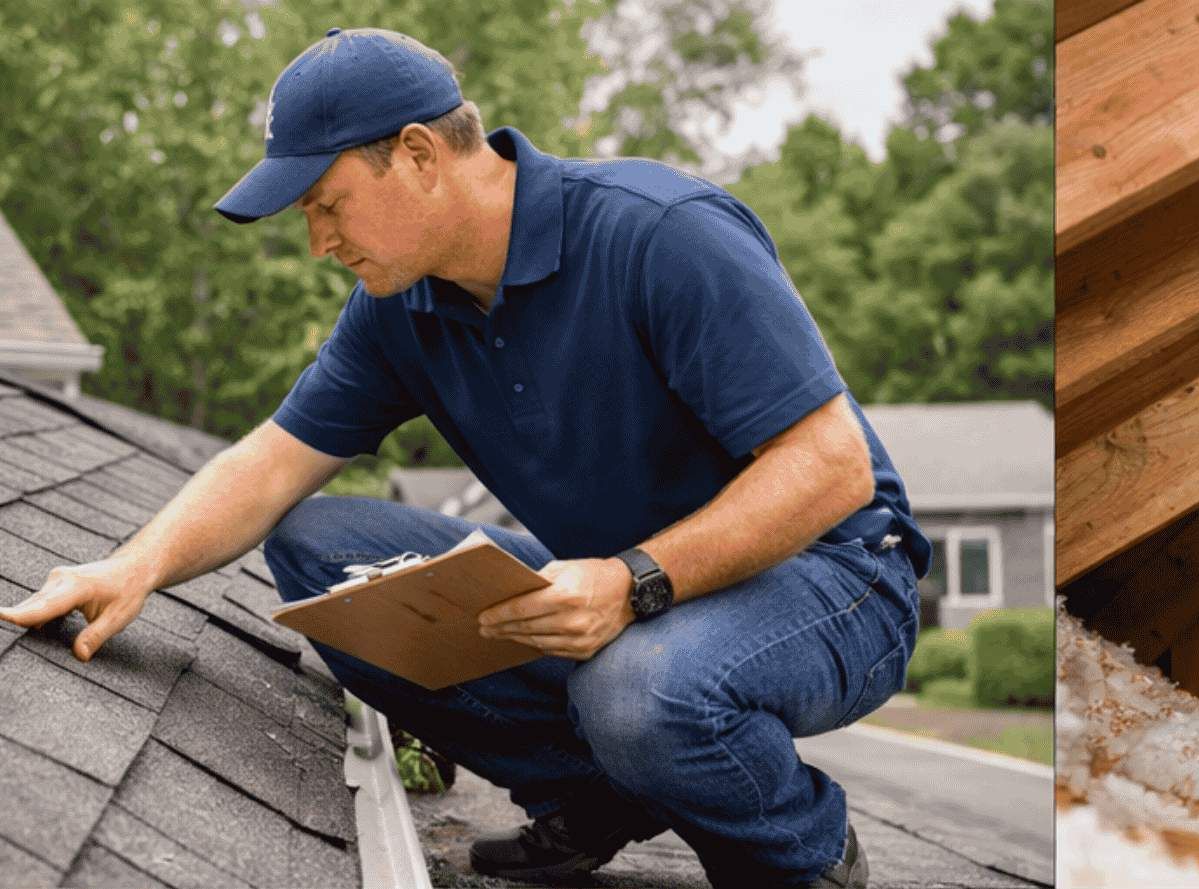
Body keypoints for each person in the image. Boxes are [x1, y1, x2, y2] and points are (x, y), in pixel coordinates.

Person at [0, 27, 927, 889]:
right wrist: (133, 566)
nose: (320, 243)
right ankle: (597, 793)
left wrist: (634, 582)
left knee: (638, 690)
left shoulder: (660, 235)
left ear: (416, 155)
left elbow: (831, 468)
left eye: (328, 206)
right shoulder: (401, 307)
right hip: (622, 588)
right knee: (321, 545)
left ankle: (801, 851)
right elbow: (271, 462)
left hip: (835, 576)